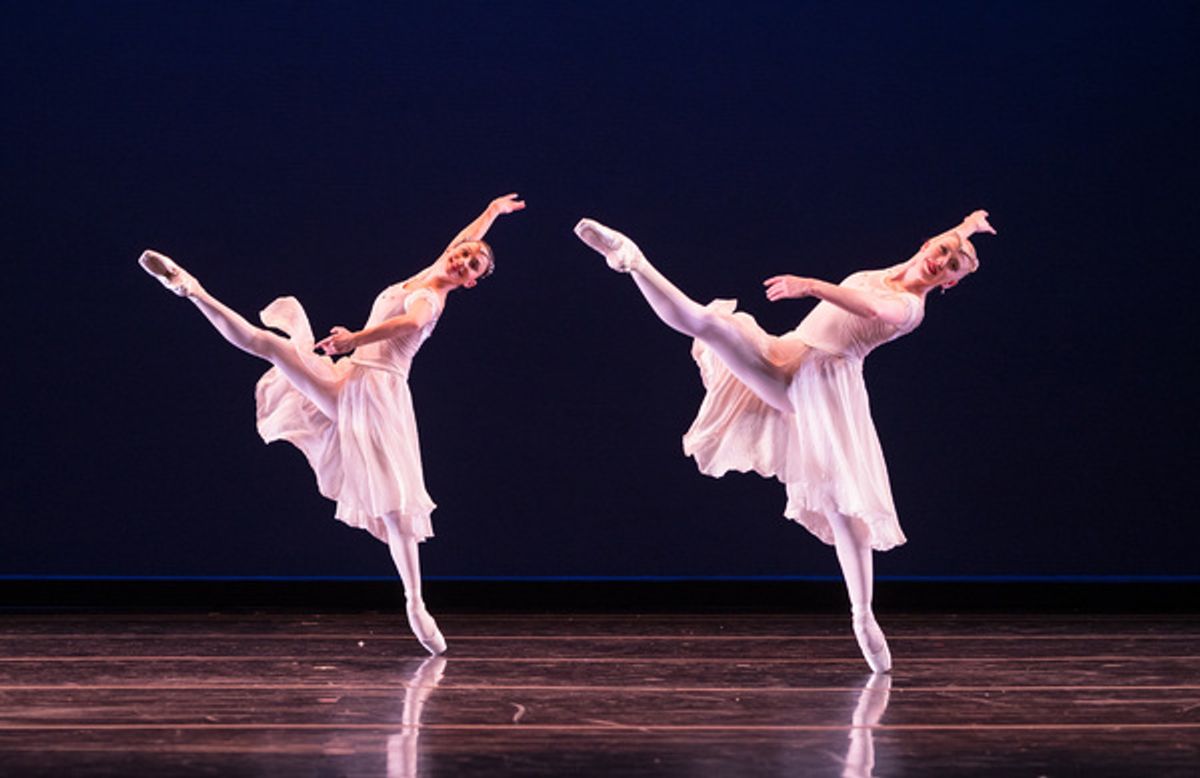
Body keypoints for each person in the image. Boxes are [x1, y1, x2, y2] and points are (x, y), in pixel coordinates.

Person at [574, 210, 995, 672]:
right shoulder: (902, 266)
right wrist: (969, 226)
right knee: (711, 326)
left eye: (953, 265)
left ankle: (862, 615)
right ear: (929, 243)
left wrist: (811, 285)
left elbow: (873, 309)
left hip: (821, 386)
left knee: (844, 510)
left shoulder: (910, 308)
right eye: (943, 250)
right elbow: (948, 239)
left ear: (951, 283)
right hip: (786, 352)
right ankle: (631, 259)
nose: (943, 260)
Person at [139, 193, 525, 654]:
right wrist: (491, 214)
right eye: (464, 254)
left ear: (471, 283)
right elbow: (463, 240)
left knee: (395, 508)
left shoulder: (431, 298)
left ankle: (415, 603)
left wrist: (353, 340)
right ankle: (189, 287)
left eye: (472, 266)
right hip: (350, 381)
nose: (464, 259)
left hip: (378, 396)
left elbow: (407, 324)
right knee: (269, 345)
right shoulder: (432, 269)